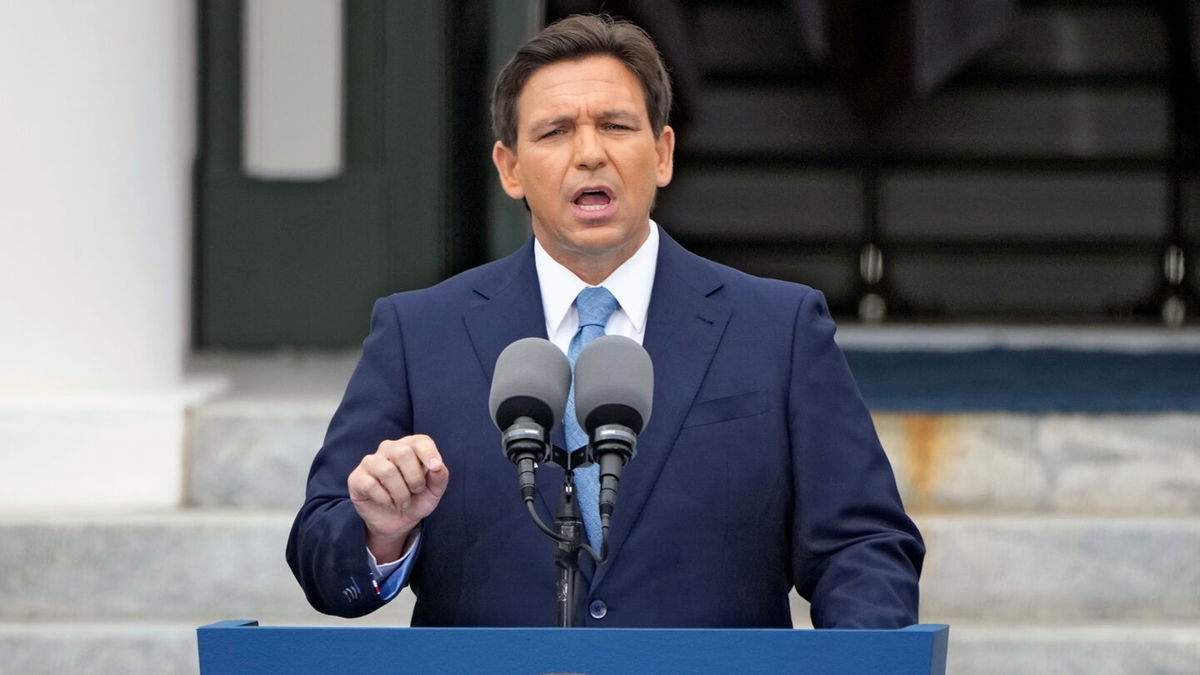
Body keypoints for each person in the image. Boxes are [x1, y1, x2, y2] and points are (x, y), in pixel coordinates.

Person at [287, 14, 923, 628]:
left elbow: (862, 545)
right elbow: (321, 556)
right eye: (555, 131)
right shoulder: (418, 333)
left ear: (663, 152)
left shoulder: (778, 328)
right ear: (510, 168)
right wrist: (381, 531)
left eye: (616, 125)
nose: (590, 154)